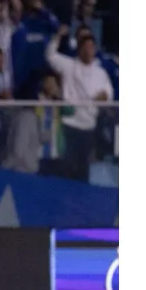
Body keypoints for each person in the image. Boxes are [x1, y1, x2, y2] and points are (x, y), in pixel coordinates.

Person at [46, 24, 113, 181]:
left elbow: (108, 94)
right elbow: (50, 55)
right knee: (67, 167)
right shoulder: (69, 65)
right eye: (86, 47)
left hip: (89, 127)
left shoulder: (100, 73)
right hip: (69, 125)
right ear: (80, 49)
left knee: (83, 170)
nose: (89, 50)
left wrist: (104, 97)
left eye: (92, 47)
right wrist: (58, 36)